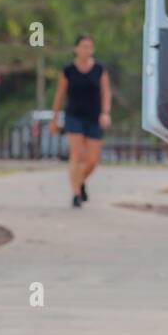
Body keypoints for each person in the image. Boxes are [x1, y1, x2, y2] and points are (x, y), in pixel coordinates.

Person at [49, 35, 111, 208]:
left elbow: (106, 92)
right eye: (83, 46)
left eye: (89, 47)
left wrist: (105, 113)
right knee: (76, 155)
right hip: (74, 116)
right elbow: (59, 95)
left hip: (94, 117)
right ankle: (76, 193)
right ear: (76, 49)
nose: (86, 50)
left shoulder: (99, 69)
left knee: (92, 160)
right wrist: (54, 119)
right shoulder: (67, 71)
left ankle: (80, 181)